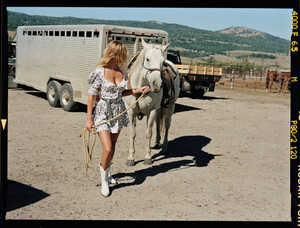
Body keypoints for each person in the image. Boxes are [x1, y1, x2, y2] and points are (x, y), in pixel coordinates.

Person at [85, 40, 151, 197]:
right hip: (102, 112)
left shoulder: (123, 72)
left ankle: (108, 172)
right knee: (107, 148)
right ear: (115, 54)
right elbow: (92, 95)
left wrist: (138, 90)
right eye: (123, 55)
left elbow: (121, 93)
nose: (125, 58)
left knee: (113, 146)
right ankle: (104, 182)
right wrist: (89, 119)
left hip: (117, 111)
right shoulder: (100, 72)